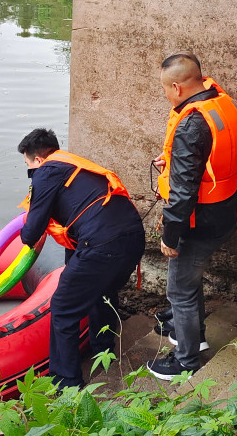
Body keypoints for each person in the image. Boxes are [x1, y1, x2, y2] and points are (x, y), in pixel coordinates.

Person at [146, 54, 237, 380]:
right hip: (224, 211)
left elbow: (183, 195)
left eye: (166, 89)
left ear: (177, 86)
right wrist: (174, 162)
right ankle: (194, 335)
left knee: (179, 290)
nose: (166, 95)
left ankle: (186, 361)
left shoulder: (192, 124)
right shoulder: (221, 103)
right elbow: (211, 159)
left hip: (198, 221)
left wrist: (170, 236)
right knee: (189, 283)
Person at [18, 128, 145, 390]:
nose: (32, 173)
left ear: (39, 160)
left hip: (101, 244)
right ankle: (104, 351)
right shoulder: (76, 167)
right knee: (103, 291)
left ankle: (66, 383)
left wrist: (24, 231)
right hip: (133, 237)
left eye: (29, 167)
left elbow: (31, 233)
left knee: (63, 306)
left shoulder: (47, 172)